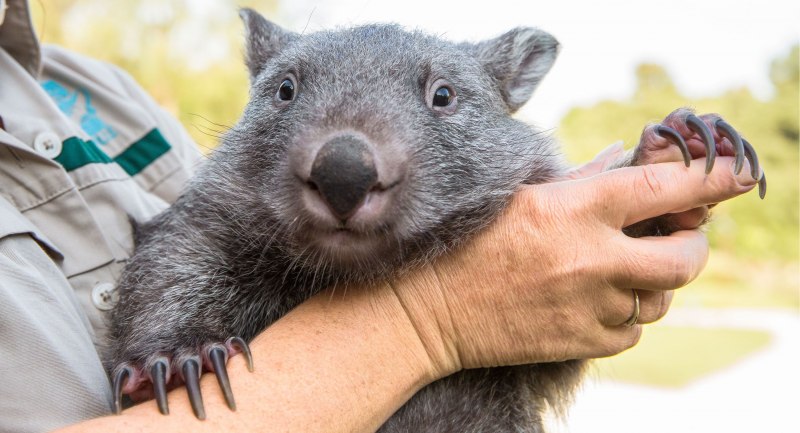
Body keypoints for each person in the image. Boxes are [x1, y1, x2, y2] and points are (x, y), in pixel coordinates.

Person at [0, 0, 759, 432]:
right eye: (288, 92)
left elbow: (554, 326)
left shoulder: (89, 92)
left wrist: (640, 207)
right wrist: (169, 344)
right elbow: (184, 252)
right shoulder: (229, 213)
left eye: (439, 99)